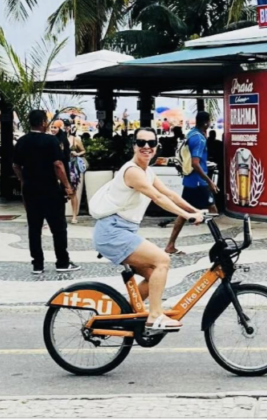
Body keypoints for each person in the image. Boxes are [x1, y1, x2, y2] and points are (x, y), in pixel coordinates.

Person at [90, 127, 205, 330]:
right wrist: (187, 216)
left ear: (156, 147)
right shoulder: (133, 171)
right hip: (113, 231)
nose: (146, 147)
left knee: (154, 275)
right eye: (141, 143)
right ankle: (154, 316)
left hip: (123, 231)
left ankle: (123, 312)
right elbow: (158, 198)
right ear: (134, 146)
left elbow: (169, 193)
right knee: (162, 259)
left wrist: (197, 210)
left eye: (151, 143)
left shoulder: (147, 171)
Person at [13, 109, 80, 276]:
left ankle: (37, 264)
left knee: (34, 228)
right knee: (58, 227)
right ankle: (62, 262)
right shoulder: (50, 141)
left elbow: (15, 165)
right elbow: (58, 165)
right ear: (43, 122)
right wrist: (67, 186)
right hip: (50, 188)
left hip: (30, 189)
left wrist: (23, 180)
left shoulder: (21, 141)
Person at [164, 111, 219, 256]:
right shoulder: (200, 139)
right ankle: (220, 243)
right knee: (212, 209)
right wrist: (210, 182)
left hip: (189, 180)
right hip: (198, 182)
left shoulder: (191, 134)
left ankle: (171, 245)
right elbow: (195, 163)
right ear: (206, 122)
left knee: (184, 213)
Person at [67, 124, 87, 224]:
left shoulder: (75, 139)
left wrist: (77, 153)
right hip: (61, 165)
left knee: (73, 192)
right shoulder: (58, 139)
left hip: (72, 167)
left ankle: (74, 215)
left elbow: (83, 150)